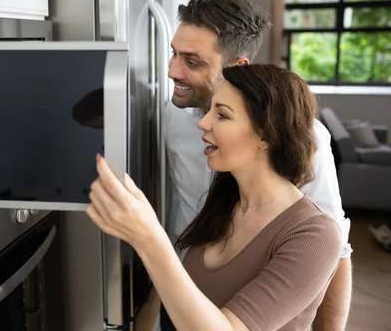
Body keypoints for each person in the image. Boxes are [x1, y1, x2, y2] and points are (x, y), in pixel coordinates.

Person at [86, 64, 343, 331]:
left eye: (221, 115)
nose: (203, 122)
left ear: (266, 134)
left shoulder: (315, 235)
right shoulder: (226, 199)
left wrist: (149, 238)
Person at [162, 0, 352, 330]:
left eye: (192, 62)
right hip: (180, 295)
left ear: (238, 67)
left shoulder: (306, 140)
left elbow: (333, 253)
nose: (173, 72)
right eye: (173, 54)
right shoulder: (172, 118)